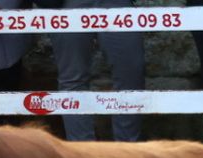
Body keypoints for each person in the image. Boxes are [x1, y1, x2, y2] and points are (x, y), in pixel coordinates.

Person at [50, 0, 145, 142]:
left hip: (117, 4)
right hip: (68, 4)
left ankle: (127, 151)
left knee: (130, 79)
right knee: (72, 81)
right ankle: (82, 153)